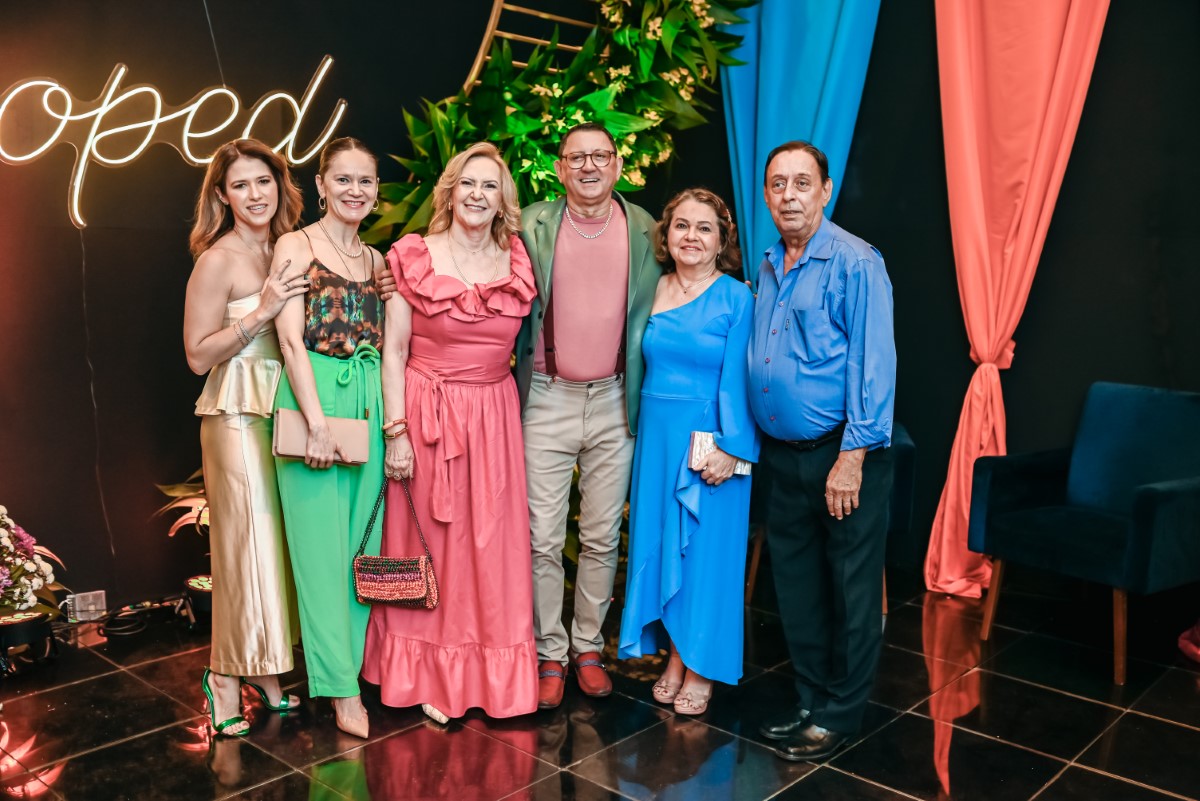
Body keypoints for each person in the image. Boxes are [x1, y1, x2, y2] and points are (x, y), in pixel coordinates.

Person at [361, 142, 539, 722]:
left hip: (493, 419)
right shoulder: (413, 256)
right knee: (430, 545)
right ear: (449, 191)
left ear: (503, 200)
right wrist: (396, 431)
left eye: (490, 186)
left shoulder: (519, 259)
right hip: (426, 413)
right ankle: (426, 676)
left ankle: (487, 677)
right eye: (468, 183)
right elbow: (393, 352)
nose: (477, 195)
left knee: (489, 548)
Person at [749, 141, 896, 761]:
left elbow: (873, 363)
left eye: (802, 183)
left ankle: (840, 712)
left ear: (826, 190)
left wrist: (852, 458)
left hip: (842, 455)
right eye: (778, 184)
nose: (789, 195)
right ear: (766, 195)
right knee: (797, 588)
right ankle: (810, 701)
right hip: (784, 457)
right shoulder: (768, 264)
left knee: (851, 592)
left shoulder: (856, 261)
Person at [516, 122, 664, 709]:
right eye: (576, 157)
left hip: (614, 399)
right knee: (541, 538)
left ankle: (587, 647)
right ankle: (548, 651)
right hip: (546, 397)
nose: (589, 166)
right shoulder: (530, 223)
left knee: (602, 536)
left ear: (618, 165)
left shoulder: (648, 229)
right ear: (559, 168)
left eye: (600, 156)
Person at [617, 188, 759, 715]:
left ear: (722, 241)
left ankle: (700, 666)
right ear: (666, 233)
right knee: (662, 550)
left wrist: (733, 450)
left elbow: (743, 381)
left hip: (712, 443)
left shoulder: (737, 298)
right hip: (657, 442)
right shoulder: (652, 288)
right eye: (682, 225)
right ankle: (675, 660)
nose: (691, 236)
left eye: (704, 228)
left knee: (704, 559)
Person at [183, 138, 306, 737]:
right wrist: (261, 311)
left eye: (264, 181)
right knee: (243, 548)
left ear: (280, 184)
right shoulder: (218, 259)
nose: (255, 194)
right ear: (222, 195)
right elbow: (196, 355)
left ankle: (267, 668)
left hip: (286, 410)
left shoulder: (291, 247)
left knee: (278, 547)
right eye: (240, 185)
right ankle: (224, 678)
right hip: (236, 414)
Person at [272, 136, 393, 739]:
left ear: (376, 190)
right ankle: (341, 689)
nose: (354, 190)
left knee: (358, 550)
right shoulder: (295, 246)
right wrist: (316, 422)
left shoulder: (377, 260)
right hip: (314, 396)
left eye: (365, 180)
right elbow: (289, 340)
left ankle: (348, 668)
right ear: (320, 185)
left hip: (367, 399)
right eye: (342, 179)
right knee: (319, 552)